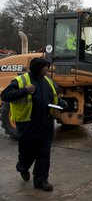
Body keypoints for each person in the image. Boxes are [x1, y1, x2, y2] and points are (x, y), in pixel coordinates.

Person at [0, 58, 67, 192]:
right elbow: (5, 95)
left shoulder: (47, 81)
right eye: (44, 68)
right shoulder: (21, 80)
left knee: (44, 152)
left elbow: (53, 96)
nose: (46, 70)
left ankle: (41, 180)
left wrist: (61, 102)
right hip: (28, 123)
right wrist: (25, 90)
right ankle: (23, 167)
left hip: (46, 123)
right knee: (28, 151)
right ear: (37, 68)